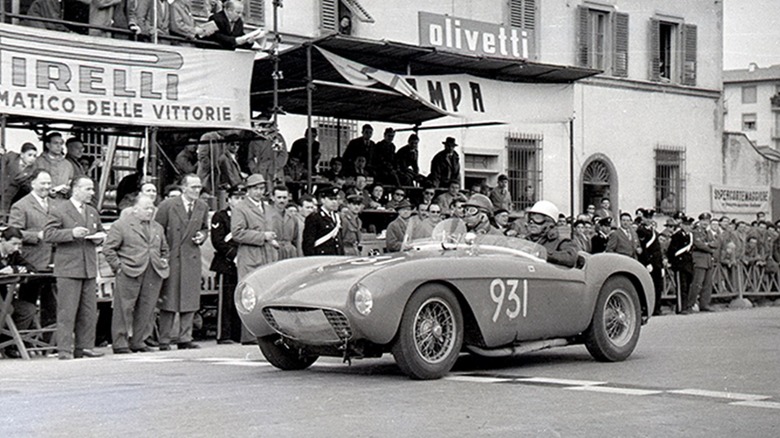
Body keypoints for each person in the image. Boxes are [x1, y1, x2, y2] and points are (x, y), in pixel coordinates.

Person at [43, 176, 105, 360]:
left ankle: (85, 346)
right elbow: (48, 234)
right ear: (75, 189)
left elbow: (99, 230)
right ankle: (64, 349)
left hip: (88, 266)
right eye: (88, 189)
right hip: (69, 267)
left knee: (88, 310)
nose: (92, 193)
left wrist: (100, 238)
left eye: (92, 189)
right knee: (67, 310)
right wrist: (71, 233)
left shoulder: (92, 211)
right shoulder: (59, 210)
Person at [102, 195, 170, 354]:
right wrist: (118, 267)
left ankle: (138, 341)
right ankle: (120, 343)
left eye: (152, 207)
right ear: (135, 209)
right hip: (129, 271)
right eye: (146, 208)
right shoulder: (121, 225)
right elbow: (108, 249)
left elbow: (165, 249)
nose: (150, 210)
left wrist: (164, 260)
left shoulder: (157, 227)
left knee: (147, 307)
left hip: (153, 271)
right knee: (124, 308)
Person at [154, 174, 209, 350]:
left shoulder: (202, 206)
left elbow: (204, 228)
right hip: (172, 257)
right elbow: (157, 230)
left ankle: (185, 337)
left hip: (191, 257)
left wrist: (202, 236)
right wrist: (162, 254)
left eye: (199, 187)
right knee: (169, 300)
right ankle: (164, 339)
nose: (197, 190)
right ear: (184, 188)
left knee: (190, 299)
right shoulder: (167, 205)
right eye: (193, 187)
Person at [8, 169, 57, 336]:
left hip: (53, 260)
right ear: (33, 183)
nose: (46, 187)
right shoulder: (20, 206)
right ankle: (25, 340)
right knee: (28, 300)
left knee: (52, 303)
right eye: (43, 183)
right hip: (32, 260)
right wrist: (37, 235)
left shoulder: (56, 204)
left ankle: (49, 341)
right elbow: (13, 233)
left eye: (49, 183)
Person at [209, 185, 244, 344]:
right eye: (236, 198)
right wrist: (234, 255)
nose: (239, 201)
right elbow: (218, 241)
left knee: (241, 299)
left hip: (245, 261)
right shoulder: (221, 216)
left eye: (242, 198)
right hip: (227, 262)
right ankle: (224, 335)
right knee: (226, 301)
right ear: (229, 200)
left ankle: (238, 334)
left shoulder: (246, 215)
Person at [231, 174, 278, 281]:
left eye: (261, 189)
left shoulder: (268, 208)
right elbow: (237, 233)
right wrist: (263, 236)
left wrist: (272, 240)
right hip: (250, 257)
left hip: (268, 256)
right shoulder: (240, 208)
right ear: (248, 189)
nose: (259, 192)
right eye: (255, 188)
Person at [0, 227, 37, 359]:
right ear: (3, 240)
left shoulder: (14, 255)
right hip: (3, 300)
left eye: (19, 244)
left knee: (28, 309)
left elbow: (31, 268)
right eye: (13, 244)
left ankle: (9, 344)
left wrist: (14, 268)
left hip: (5, 297)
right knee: (7, 310)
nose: (16, 248)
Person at [524, 201, 578, 267]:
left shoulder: (562, 241)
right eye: (530, 218)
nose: (532, 222)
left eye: (537, 218)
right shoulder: (525, 240)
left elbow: (570, 258)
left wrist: (542, 254)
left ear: (550, 223)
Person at [635, 210, 664, 315]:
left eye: (650, 218)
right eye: (647, 218)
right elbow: (643, 249)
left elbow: (658, 249)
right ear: (643, 219)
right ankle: (646, 309)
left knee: (658, 286)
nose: (649, 220)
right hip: (648, 262)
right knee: (648, 286)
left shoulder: (653, 231)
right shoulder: (641, 230)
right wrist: (647, 263)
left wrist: (661, 266)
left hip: (656, 262)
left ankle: (657, 308)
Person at [303, 186, 344, 256]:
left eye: (336, 199)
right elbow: (308, 243)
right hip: (321, 256)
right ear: (323, 200)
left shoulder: (337, 217)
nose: (334, 202)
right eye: (331, 199)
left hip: (335, 255)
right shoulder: (314, 217)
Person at [689, 212, 718, 312]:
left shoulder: (708, 232)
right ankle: (691, 304)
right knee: (697, 283)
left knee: (707, 284)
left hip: (708, 260)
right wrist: (709, 247)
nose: (705, 223)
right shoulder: (696, 231)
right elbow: (698, 244)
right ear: (700, 221)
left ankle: (704, 304)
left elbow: (716, 243)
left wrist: (708, 245)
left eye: (707, 221)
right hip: (699, 259)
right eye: (703, 221)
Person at [667, 216, 695, 314]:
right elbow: (672, 251)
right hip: (680, 265)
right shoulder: (677, 236)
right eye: (685, 225)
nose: (687, 227)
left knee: (687, 286)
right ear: (682, 225)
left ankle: (685, 306)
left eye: (689, 225)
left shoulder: (690, 236)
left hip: (688, 264)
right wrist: (674, 263)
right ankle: (680, 308)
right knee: (681, 287)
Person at [35, 132, 74, 199]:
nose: (59, 146)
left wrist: (68, 189)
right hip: (43, 201)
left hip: (62, 202)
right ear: (48, 145)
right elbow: (30, 184)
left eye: (61, 143)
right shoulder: (38, 162)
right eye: (55, 143)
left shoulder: (68, 165)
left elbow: (71, 183)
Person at [2, 142, 38, 211]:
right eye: (29, 155)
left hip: (10, 196)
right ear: (22, 155)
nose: (32, 158)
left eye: (34, 156)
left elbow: (28, 185)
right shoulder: (11, 157)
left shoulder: (33, 169)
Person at [268, 185, 301, 259]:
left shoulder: (292, 217)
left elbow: (296, 240)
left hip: (290, 253)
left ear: (289, 198)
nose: (282, 200)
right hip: (273, 251)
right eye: (279, 197)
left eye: (284, 197)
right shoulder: (266, 215)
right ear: (273, 198)